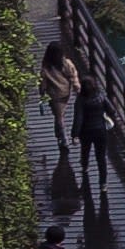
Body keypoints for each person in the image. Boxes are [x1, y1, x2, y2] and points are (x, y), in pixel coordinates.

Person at [38, 42, 80, 176]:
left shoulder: (46, 67)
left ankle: (63, 138)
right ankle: (61, 136)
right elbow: (73, 76)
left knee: (59, 117)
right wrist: (76, 88)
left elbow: (43, 82)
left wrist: (42, 93)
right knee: (60, 115)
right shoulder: (66, 63)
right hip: (65, 93)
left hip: (54, 95)